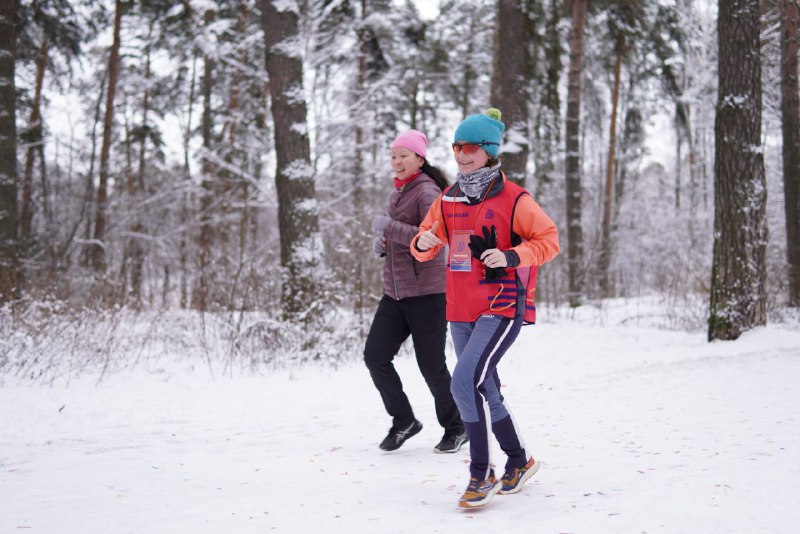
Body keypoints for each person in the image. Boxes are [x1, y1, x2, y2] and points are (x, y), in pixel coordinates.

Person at [411, 109, 560, 508]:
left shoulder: (515, 199)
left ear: (489, 152)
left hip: (501, 304)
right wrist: (423, 244)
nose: (461, 154)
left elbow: (548, 240)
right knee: (484, 384)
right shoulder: (448, 198)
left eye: (471, 147)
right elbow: (428, 237)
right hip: (459, 308)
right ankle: (519, 459)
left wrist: (512, 256)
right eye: (457, 146)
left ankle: (481, 473)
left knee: (463, 382)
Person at [364, 129, 467, 454]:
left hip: (427, 293)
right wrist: (384, 244)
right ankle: (404, 420)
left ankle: (457, 426)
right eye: (393, 156)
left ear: (419, 159)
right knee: (376, 357)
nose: (396, 162)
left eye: (403, 156)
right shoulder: (399, 192)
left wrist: (388, 228)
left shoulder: (427, 191)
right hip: (394, 293)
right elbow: (404, 238)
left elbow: (435, 237)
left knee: (431, 365)